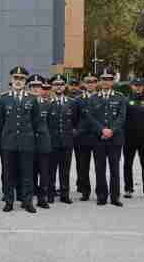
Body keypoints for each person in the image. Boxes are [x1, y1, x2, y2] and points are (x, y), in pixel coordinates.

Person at [0, 66, 40, 214]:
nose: (18, 81)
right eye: (16, 78)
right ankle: (9, 201)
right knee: (8, 173)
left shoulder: (32, 99)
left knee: (27, 173)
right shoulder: (3, 98)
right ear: (11, 79)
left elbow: (36, 121)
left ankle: (27, 201)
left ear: (25, 81)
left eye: (21, 79)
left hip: (27, 142)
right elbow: (0, 121)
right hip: (9, 142)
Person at [90, 67, 127, 207]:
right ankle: (101, 196)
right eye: (103, 79)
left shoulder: (120, 97)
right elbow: (91, 117)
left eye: (109, 79)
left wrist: (111, 130)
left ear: (113, 81)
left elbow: (122, 117)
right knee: (99, 169)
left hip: (115, 139)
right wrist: (102, 130)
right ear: (100, 81)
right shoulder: (94, 98)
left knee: (115, 169)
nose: (106, 82)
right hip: (98, 139)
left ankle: (115, 197)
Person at [47, 74, 79, 204]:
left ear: (64, 86)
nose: (58, 87)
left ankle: (65, 194)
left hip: (67, 141)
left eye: (61, 84)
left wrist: (72, 134)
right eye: (56, 84)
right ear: (52, 87)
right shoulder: (48, 103)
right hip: (52, 142)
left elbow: (76, 121)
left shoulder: (72, 102)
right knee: (51, 170)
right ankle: (50, 193)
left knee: (65, 170)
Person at [123, 78, 144, 200]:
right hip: (129, 138)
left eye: (140, 85)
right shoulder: (126, 101)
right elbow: (122, 119)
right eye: (135, 85)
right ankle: (128, 189)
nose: (138, 87)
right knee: (127, 164)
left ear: (143, 87)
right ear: (131, 86)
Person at [28, 74, 52, 209]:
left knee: (44, 172)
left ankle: (42, 198)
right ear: (29, 88)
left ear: (42, 88)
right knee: (29, 172)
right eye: (33, 86)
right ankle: (29, 197)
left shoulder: (48, 105)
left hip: (43, 143)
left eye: (38, 86)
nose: (36, 89)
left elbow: (51, 126)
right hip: (29, 142)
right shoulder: (25, 103)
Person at [76, 72, 99, 201]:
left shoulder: (101, 98)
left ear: (96, 84)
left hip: (97, 137)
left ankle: (100, 190)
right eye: (88, 82)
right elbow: (74, 118)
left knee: (99, 166)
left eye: (93, 81)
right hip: (82, 138)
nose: (90, 84)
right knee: (83, 166)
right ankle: (85, 191)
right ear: (84, 84)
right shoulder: (78, 100)